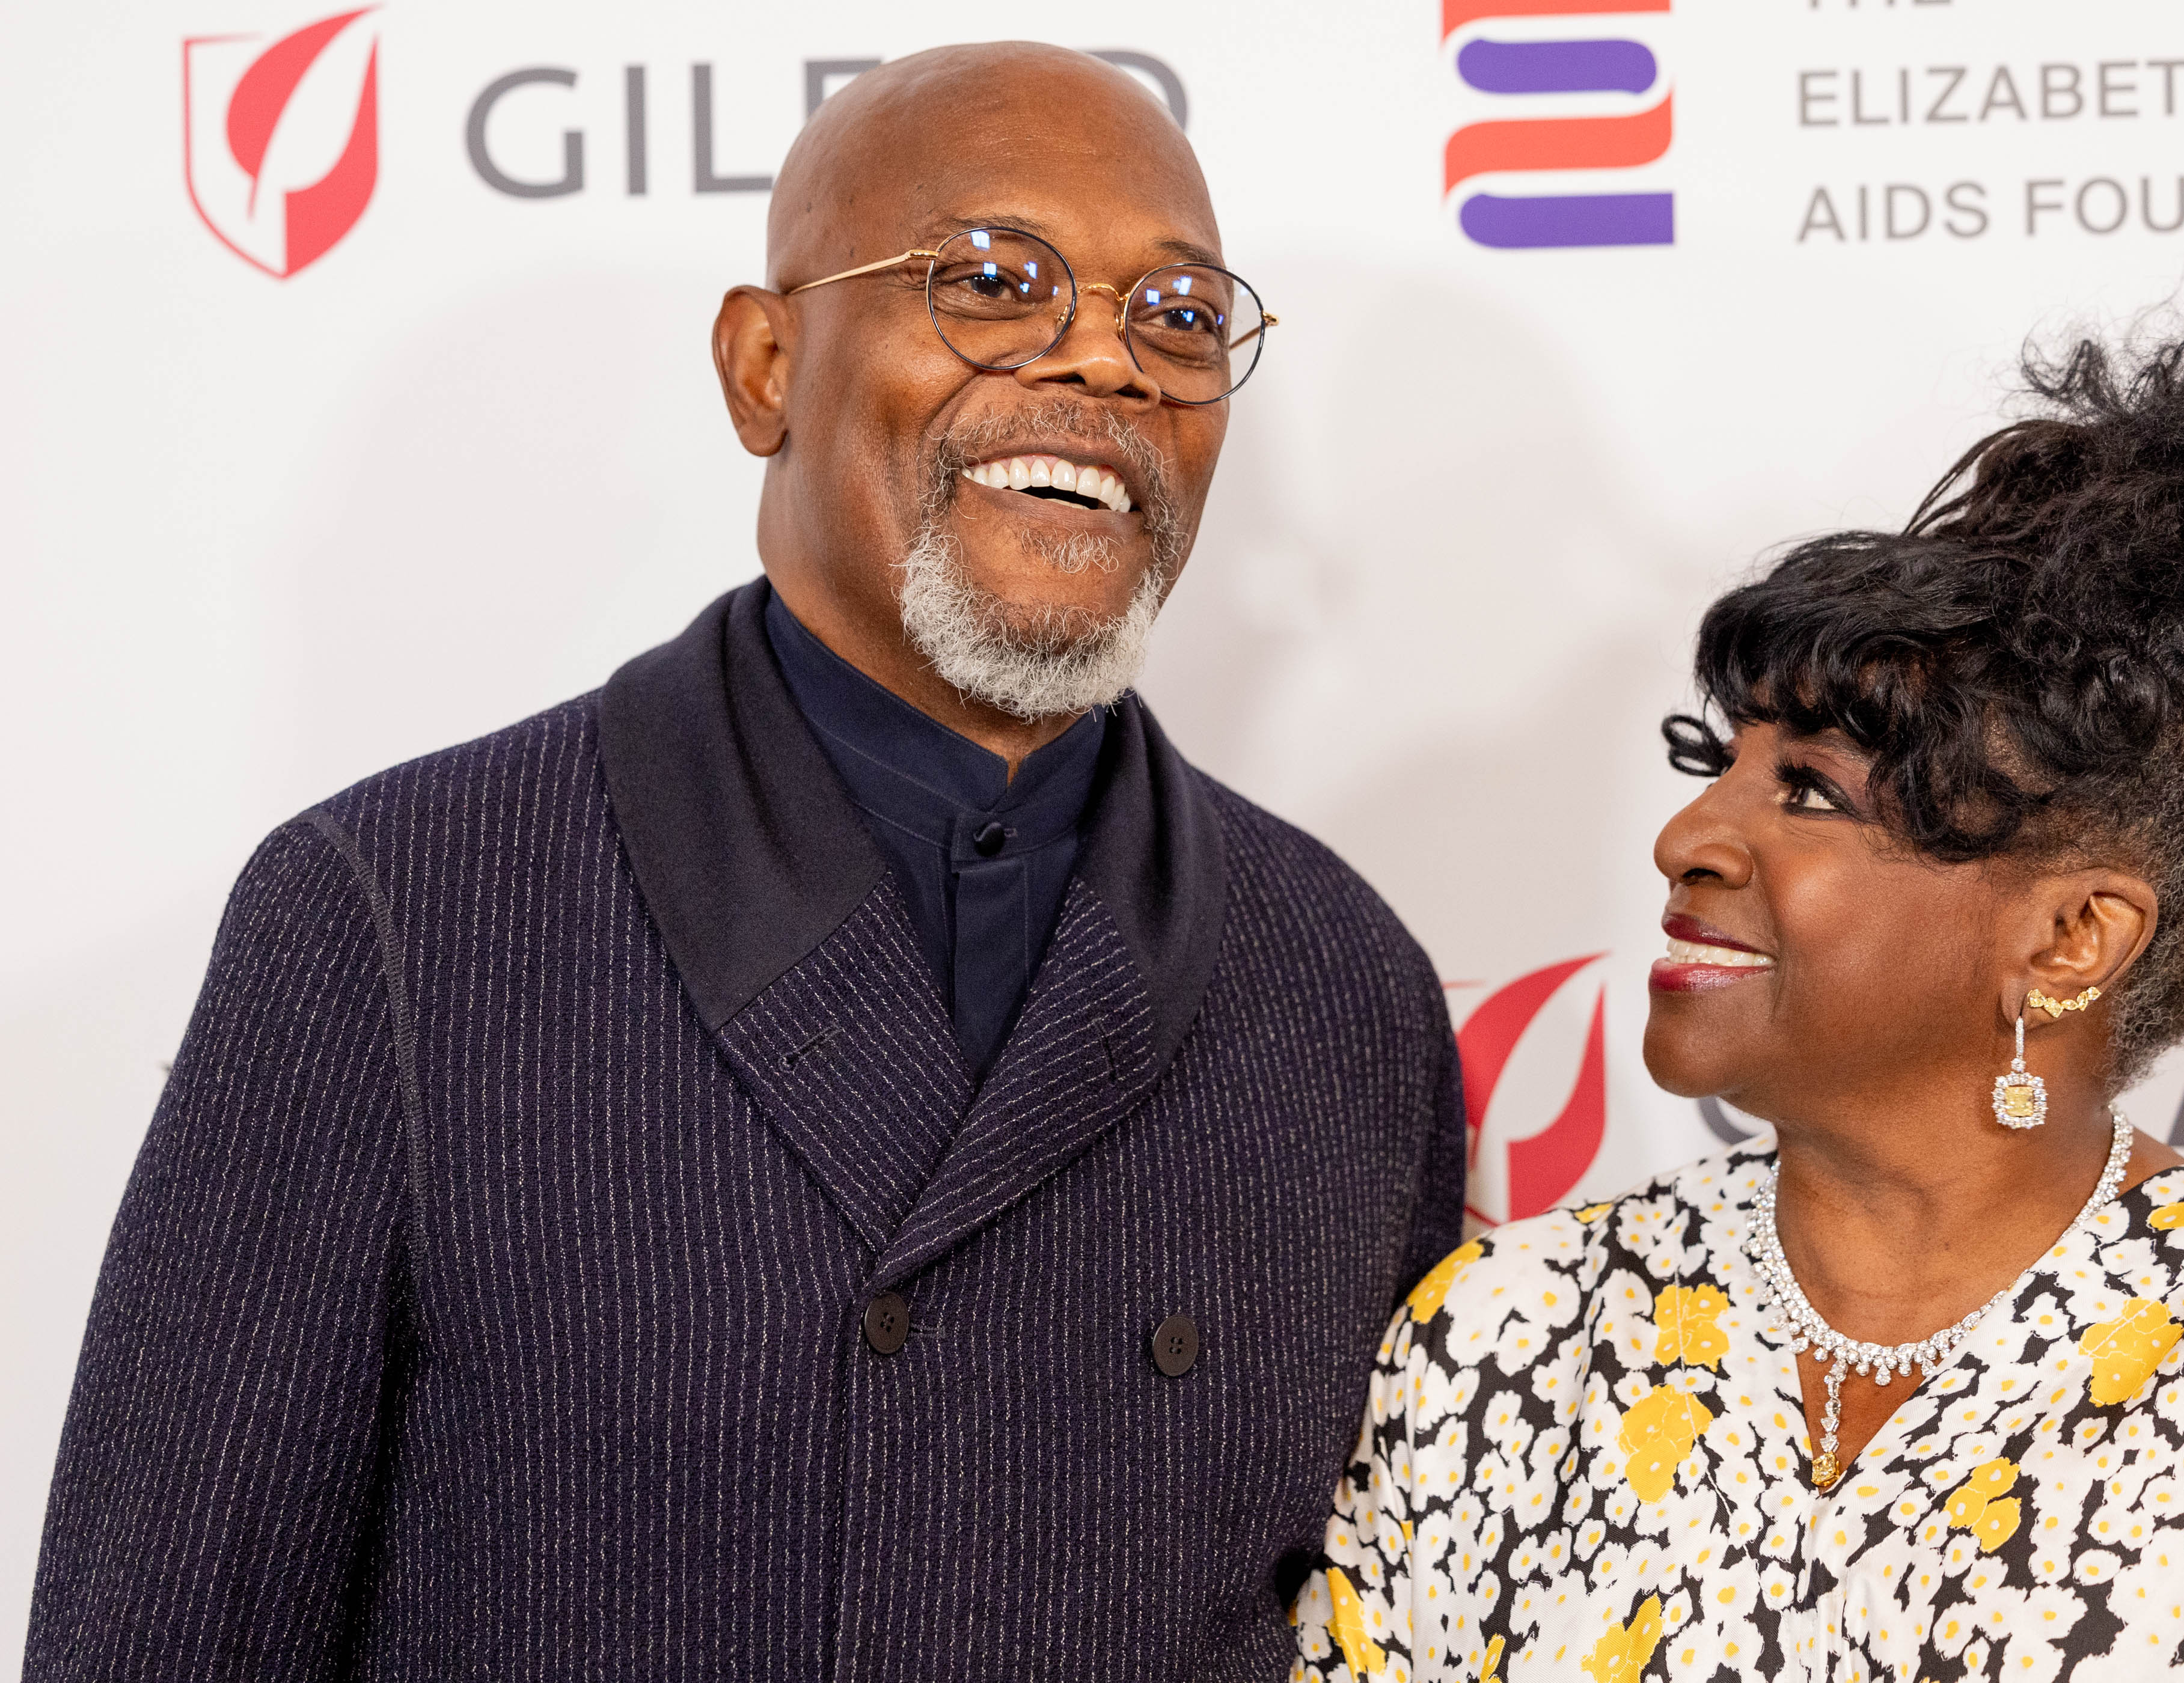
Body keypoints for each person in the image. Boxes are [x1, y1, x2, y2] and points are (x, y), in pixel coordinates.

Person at [29, 43, 1463, 1681]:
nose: (1107, 364)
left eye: (1182, 318)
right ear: (765, 365)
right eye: (997, 282)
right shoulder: (400, 917)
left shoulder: (1340, 980)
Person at [1291, 316, 2184, 1681]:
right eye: (1723, 760)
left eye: (1809, 788)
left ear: (2070, 937)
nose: (1688, 834)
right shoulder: (1503, 1338)